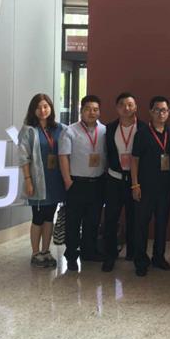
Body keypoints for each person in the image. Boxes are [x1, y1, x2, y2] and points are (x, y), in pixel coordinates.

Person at [131, 96, 170, 276]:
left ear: (169, 112)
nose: (161, 113)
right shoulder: (142, 133)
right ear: (151, 112)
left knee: (162, 223)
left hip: (165, 188)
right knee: (141, 224)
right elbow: (134, 161)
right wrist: (135, 185)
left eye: (164, 110)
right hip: (145, 187)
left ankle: (159, 257)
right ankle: (140, 261)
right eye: (157, 110)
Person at [58, 94, 107, 272]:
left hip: (97, 183)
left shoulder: (104, 130)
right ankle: (71, 255)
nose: (92, 113)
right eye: (88, 109)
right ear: (81, 111)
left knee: (93, 220)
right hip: (76, 183)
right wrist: (67, 180)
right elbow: (63, 156)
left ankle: (89, 251)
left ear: (99, 111)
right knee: (73, 221)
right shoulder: (70, 131)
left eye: (95, 109)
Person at [18, 93, 66, 268]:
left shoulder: (59, 128)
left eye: (46, 106)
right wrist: (28, 180)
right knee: (38, 217)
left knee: (49, 217)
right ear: (33, 110)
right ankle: (35, 253)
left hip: (55, 181)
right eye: (38, 107)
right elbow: (24, 158)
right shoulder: (28, 130)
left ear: (51, 108)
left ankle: (46, 251)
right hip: (38, 181)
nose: (43, 110)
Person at [103, 92, 148, 272]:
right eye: (122, 104)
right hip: (114, 179)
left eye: (130, 104)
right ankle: (110, 256)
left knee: (136, 219)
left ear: (136, 107)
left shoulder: (144, 128)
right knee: (111, 218)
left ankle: (135, 255)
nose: (126, 108)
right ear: (117, 108)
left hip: (136, 181)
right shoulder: (109, 128)